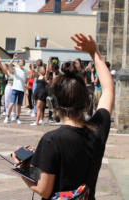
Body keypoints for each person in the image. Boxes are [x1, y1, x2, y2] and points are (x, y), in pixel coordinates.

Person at [12, 33, 114, 200]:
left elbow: (44, 189)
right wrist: (94, 52)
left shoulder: (51, 140)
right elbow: (109, 88)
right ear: (86, 101)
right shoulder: (98, 129)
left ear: (53, 104)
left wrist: (21, 168)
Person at [4, 53, 29, 124]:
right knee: (11, 103)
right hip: (14, 89)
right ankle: (7, 116)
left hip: (21, 90)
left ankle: (17, 118)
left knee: (19, 105)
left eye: (23, 62)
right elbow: (9, 65)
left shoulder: (26, 71)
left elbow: (27, 81)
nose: (22, 62)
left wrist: (27, 90)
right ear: (18, 63)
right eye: (20, 61)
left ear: (24, 63)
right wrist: (14, 59)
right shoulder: (15, 69)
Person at [29, 57, 49, 126]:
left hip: (42, 92)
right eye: (41, 69)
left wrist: (48, 61)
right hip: (36, 92)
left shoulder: (45, 77)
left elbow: (48, 70)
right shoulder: (37, 76)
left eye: (43, 69)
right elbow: (33, 70)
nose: (42, 69)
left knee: (38, 107)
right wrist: (32, 61)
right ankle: (41, 120)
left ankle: (37, 122)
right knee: (39, 108)